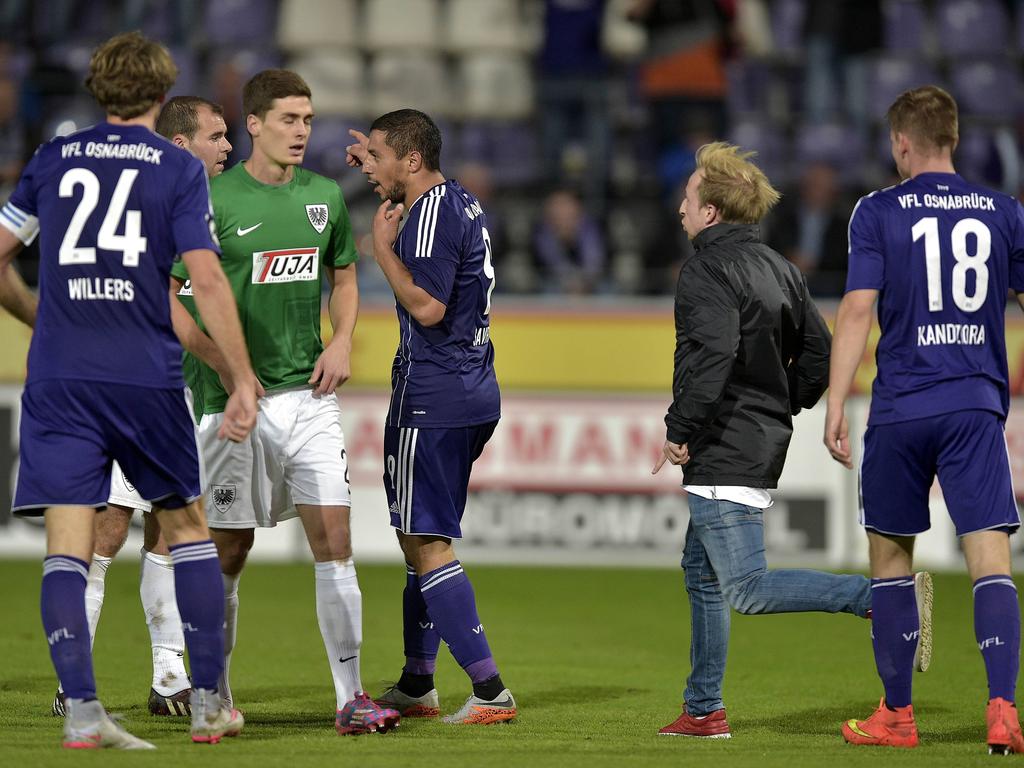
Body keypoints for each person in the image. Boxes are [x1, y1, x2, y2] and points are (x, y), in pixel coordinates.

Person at [0, 32, 257, 748]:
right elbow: (204, 278)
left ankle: (83, 712)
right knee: (184, 530)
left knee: (68, 547)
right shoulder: (176, 170)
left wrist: (40, 317)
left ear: (97, 87)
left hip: (60, 379)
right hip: (142, 375)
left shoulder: (52, 159)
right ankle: (207, 703)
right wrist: (239, 376)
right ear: (161, 90)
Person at [650, 141, 932, 740]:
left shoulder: (705, 268)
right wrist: (783, 404)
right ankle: (704, 709)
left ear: (712, 211)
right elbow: (821, 355)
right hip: (754, 437)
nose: (680, 206)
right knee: (700, 575)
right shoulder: (781, 268)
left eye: (689, 195)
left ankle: (882, 597)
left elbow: (713, 354)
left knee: (746, 589)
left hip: (723, 444)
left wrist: (681, 430)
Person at [169, 69, 400, 736]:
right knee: (229, 551)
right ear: (255, 124)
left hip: (308, 398)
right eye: (289, 119)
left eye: (307, 119)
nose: (302, 131)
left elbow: (346, 275)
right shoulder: (211, 200)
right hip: (231, 407)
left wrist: (344, 338)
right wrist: (230, 369)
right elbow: (178, 308)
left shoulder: (324, 196)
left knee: (336, 541)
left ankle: (352, 697)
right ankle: (212, 692)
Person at [826, 85, 1024, 753]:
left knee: (890, 560)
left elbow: (857, 310)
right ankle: (1002, 710)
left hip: (903, 405)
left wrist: (834, 401)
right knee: (989, 557)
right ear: (956, 139)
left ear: (901, 144)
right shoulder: (1004, 212)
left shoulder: (877, 210)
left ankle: (898, 717)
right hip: (973, 404)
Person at [50, 94, 235, 720]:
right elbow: (169, 299)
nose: (226, 147)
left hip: (174, 394)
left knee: (165, 532)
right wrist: (229, 365)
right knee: (108, 532)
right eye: (216, 135)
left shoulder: (202, 198)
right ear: (180, 144)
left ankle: (166, 678)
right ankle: (74, 677)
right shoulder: (166, 197)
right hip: (139, 387)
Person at [345, 109, 516, 725]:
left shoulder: (429, 217)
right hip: (466, 388)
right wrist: (378, 158)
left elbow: (427, 306)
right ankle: (418, 682)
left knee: (426, 541)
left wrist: (382, 250)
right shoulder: (458, 201)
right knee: (417, 535)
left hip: (435, 394)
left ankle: (491, 690)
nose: (372, 171)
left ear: (411, 160)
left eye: (382, 158)